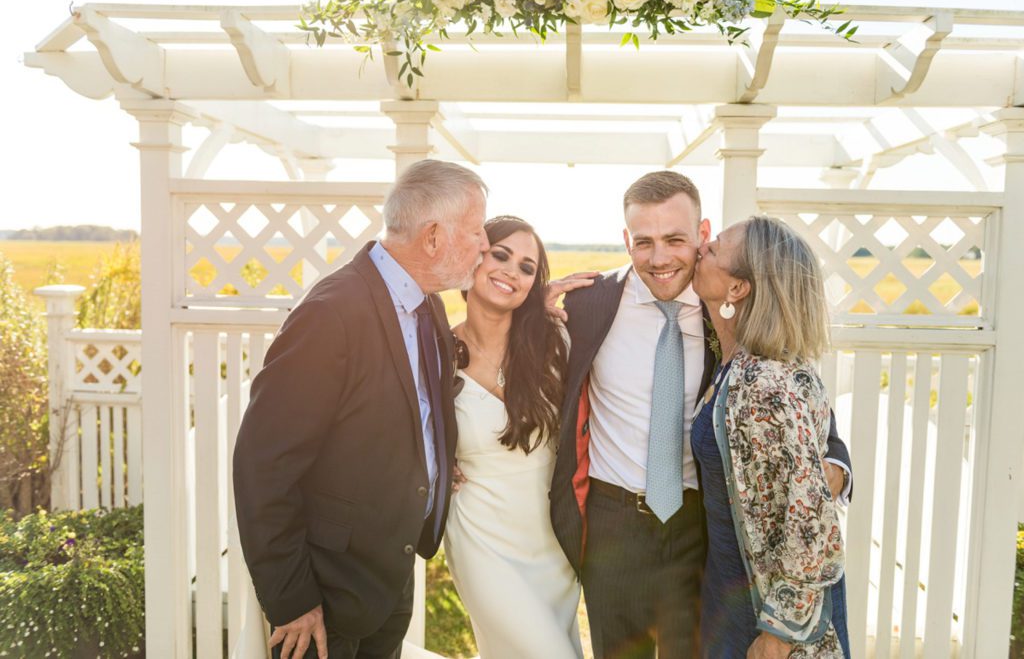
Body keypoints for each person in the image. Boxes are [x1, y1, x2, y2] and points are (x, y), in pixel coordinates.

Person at [549, 170, 852, 659]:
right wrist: (523, 317)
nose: (660, 257)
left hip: (700, 532)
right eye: (643, 242)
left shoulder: (736, 316)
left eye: (675, 239)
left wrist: (828, 473)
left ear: (703, 236)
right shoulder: (587, 304)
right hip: (611, 528)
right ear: (626, 240)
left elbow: (812, 419)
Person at [232, 159, 489, 659]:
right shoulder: (331, 314)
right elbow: (263, 465)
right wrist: (292, 600)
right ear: (433, 237)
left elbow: (411, 410)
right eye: (477, 231)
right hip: (321, 602)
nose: (484, 244)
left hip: (387, 580)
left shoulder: (429, 305)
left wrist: (436, 458)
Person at [690, 216, 850, 658]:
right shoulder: (741, 365)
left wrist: (779, 632)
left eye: (714, 248)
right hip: (730, 591)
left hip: (765, 616)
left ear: (737, 289)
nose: (701, 247)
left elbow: (809, 519)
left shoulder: (765, 384)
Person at [443, 215, 584, 659]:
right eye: (500, 255)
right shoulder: (437, 355)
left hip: (552, 541)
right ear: (474, 259)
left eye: (527, 267)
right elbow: (401, 426)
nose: (510, 271)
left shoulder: (554, 342)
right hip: (481, 538)